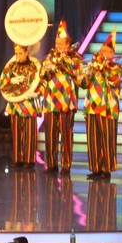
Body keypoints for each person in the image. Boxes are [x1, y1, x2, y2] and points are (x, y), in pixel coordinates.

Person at [77, 30, 122, 180]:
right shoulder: (93, 66)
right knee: (93, 139)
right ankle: (95, 168)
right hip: (92, 106)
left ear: (112, 54)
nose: (101, 53)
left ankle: (106, 169)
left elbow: (114, 81)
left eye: (105, 51)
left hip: (108, 108)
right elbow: (83, 84)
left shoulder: (117, 68)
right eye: (101, 50)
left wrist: (103, 67)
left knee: (107, 139)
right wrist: (90, 70)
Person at [40, 20, 82, 173]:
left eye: (61, 44)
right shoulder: (49, 57)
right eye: (56, 43)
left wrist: (63, 59)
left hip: (67, 101)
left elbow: (77, 72)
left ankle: (66, 164)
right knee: (50, 134)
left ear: (68, 44)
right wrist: (47, 69)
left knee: (66, 135)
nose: (58, 46)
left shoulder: (75, 57)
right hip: (51, 101)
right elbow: (42, 76)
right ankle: (51, 164)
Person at [0, 42, 43, 168]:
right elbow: (1, 82)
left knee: (30, 133)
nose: (18, 56)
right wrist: (10, 81)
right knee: (17, 133)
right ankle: (18, 158)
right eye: (16, 53)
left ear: (26, 52)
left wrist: (36, 91)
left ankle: (29, 159)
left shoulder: (34, 65)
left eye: (20, 53)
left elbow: (40, 81)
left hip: (29, 104)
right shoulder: (11, 66)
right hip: (15, 104)